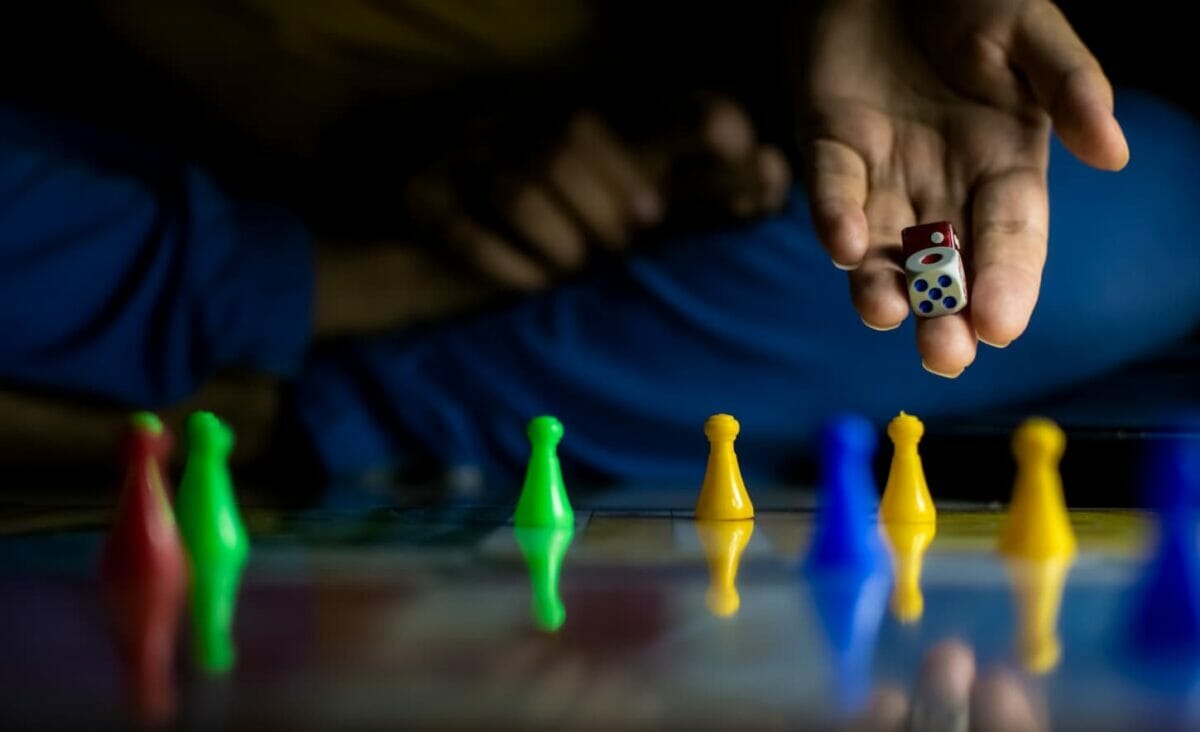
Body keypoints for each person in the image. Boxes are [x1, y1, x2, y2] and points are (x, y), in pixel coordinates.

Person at [0, 1, 1197, 484]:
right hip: (221, 192)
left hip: (674, 179)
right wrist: (392, 212)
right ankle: (316, 395)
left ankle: (299, 407)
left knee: (1152, 205)